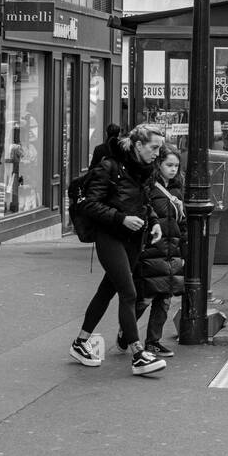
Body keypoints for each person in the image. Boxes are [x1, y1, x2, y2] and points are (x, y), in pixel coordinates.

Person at [70, 123, 168, 376]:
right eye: (153, 147)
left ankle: (81, 342)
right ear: (138, 145)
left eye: (159, 148)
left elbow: (145, 201)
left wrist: (154, 222)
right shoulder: (109, 166)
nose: (157, 153)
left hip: (134, 237)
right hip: (110, 236)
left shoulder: (146, 169)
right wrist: (120, 219)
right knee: (128, 292)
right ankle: (138, 354)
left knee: (107, 290)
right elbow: (89, 204)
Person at [130, 144, 188, 358]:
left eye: (176, 165)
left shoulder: (176, 189)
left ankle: (153, 342)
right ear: (158, 165)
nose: (173, 169)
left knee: (164, 298)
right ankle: (126, 331)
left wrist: (183, 247)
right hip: (152, 249)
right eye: (168, 165)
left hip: (171, 250)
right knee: (145, 297)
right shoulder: (149, 188)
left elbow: (181, 223)